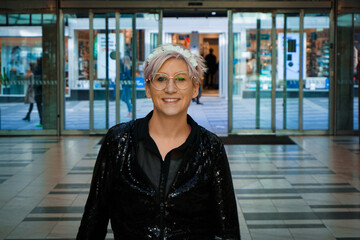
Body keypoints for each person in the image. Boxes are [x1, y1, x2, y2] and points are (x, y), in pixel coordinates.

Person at [76, 44, 240, 240]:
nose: (170, 88)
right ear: (147, 88)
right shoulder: (118, 142)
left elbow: (227, 228)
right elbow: (94, 218)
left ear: (195, 88)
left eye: (181, 79)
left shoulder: (210, 148)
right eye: (161, 79)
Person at [33, 57, 43, 127]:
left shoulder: (38, 69)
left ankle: (42, 121)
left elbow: (37, 81)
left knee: (39, 106)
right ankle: (42, 120)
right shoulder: (43, 68)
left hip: (39, 91)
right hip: (42, 90)